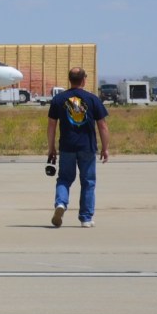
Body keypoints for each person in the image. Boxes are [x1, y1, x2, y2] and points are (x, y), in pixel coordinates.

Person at [45, 68, 109, 228]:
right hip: (87, 147)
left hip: (67, 146)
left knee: (64, 179)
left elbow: (52, 125)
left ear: (69, 79)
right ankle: (86, 218)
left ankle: (60, 203)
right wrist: (105, 148)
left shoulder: (59, 99)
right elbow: (102, 126)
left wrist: (51, 147)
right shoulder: (93, 99)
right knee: (88, 181)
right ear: (84, 80)